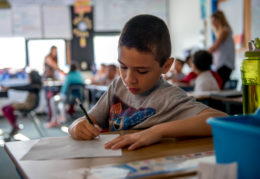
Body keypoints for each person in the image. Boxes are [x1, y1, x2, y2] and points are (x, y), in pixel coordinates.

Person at [68, 15, 227, 150]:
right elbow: (88, 119)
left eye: (142, 71)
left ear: (165, 66)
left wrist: (158, 131)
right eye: (123, 67)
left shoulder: (169, 97)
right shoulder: (117, 86)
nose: (129, 79)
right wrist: (76, 126)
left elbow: (222, 120)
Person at [1, 71, 42, 135]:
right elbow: (23, 86)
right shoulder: (33, 85)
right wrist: (9, 87)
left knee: (8, 109)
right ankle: (14, 125)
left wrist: (10, 87)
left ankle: (15, 127)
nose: (28, 79)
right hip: (26, 103)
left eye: (29, 77)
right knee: (5, 108)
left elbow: (23, 88)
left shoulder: (36, 86)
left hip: (29, 105)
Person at [45, 62, 85, 128]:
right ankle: (62, 117)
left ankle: (55, 120)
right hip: (78, 98)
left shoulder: (69, 76)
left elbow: (64, 90)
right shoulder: (80, 75)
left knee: (53, 100)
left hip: (66, 97)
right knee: (61, 102)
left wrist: (61, 94)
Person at [209, 10, 235, 89]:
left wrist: (202, 54)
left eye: (214, 21)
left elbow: (214, 47)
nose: (213, 24)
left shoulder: (224, 30)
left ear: (219, 20)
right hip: (221, 64)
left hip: (225, 64)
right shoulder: (221, 31)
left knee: (219, 86)